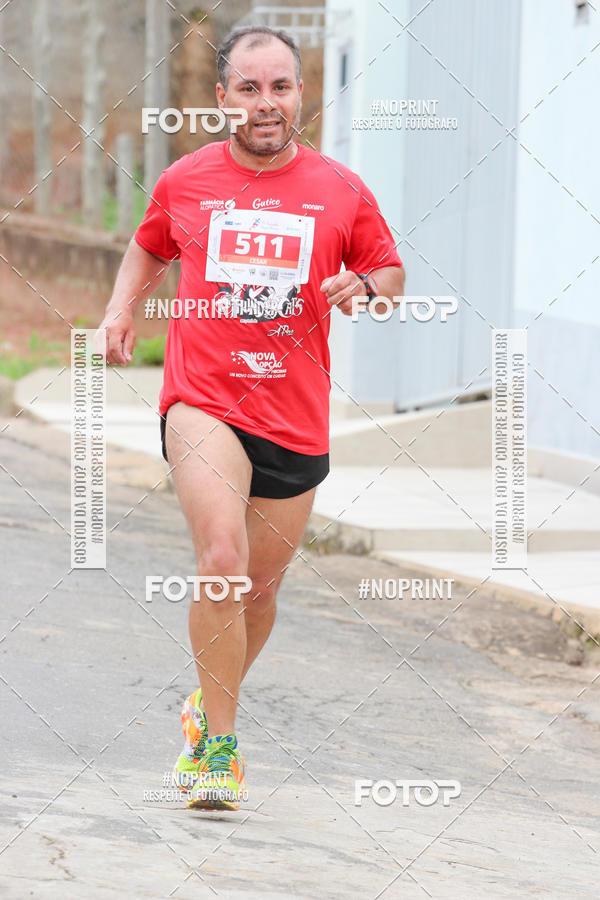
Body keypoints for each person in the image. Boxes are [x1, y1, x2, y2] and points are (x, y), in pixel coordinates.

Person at [100, 24, 405, 810]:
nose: (266, 104)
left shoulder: (340, 188)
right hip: (204, 398)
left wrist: (367, 289)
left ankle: (208, 702)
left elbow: (389, 269)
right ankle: (220, 754)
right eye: (249, 88)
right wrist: (118, 313)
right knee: (222, 557)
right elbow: (147, 244)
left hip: (295, 414)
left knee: (260, 589)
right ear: (220, 99)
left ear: (300, 93)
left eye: (280, 87)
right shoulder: (188, 180)